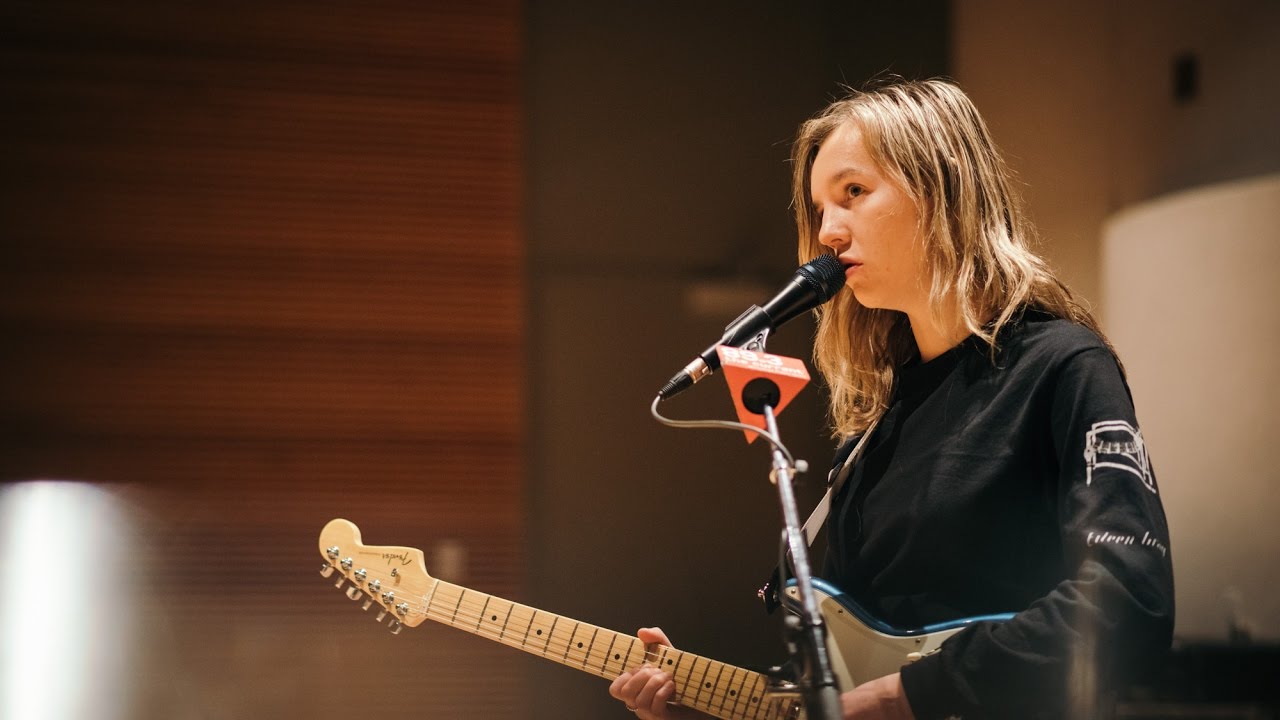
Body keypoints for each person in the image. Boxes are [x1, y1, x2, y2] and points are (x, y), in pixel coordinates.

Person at [609, 78, 1175, 719]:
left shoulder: (1062, 366)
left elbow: (1129, 601)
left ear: (941, 186)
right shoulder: (875, 427)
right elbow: (853, 683)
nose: (827, 232)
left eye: (853, 193)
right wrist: (688, 697)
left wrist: (919, 692)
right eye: (819, 209)